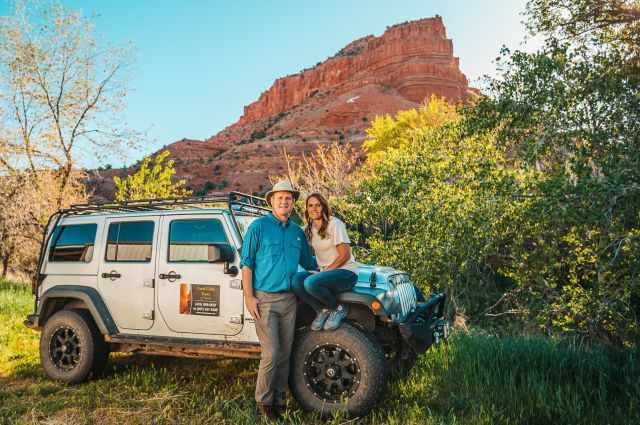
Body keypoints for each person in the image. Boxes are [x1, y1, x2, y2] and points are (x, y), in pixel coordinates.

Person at [240, 180, 318, 421]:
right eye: (280, 198)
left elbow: (310, 263)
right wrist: (249, 297)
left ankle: (279, 401)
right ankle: (263, 403)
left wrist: (339, 265)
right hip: (264, 300)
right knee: (272, 353)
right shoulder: (258, 227)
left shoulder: (296, 232)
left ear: (293, 203)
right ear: (271, 201)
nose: (284, 201)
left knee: (285, 354)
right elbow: (246, 264)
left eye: (288, 198)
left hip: (289, 300)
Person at [291, 193, 358, 331]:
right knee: (296, 281)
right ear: (306, 209)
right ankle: (322, 310)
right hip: (325, 274)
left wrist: (327, 270)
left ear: (323, 207)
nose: (314, 208)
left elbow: (345, 255)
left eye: (318, 205)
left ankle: (338, 308)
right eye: (310, 205)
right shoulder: (308, 229)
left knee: (310, 282)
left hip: (345, 273)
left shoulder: (335, 224)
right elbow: (291, 235)